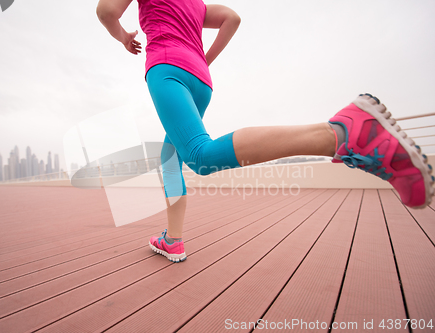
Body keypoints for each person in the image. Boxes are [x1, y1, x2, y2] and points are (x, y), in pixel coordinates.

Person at [96, 0, 434, 263]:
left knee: (198, 155)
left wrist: (124, 36)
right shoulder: (195, 4)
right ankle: (173, 239)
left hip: (167, 69)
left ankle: (341, 133)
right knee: (170, 157)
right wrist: (204, 58)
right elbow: (232, 17)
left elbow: (107, 10)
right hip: (200, 80)